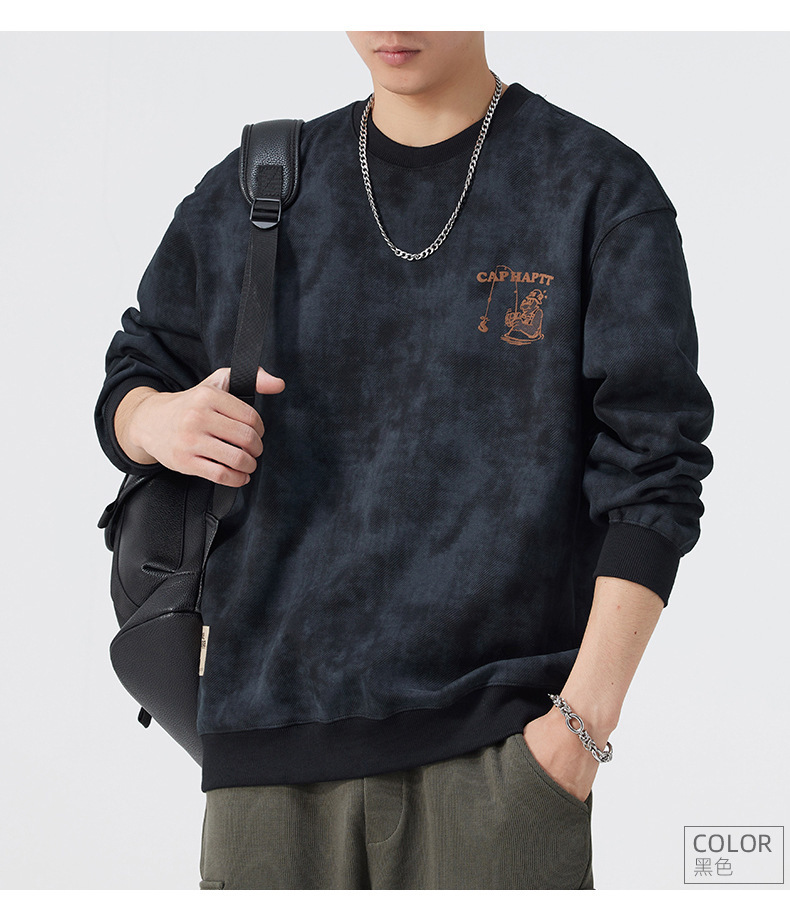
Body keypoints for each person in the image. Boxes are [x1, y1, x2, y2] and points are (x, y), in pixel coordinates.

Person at [94, 31, 714, 889]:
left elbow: (655, 467)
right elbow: (134, 372)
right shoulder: (261, 187)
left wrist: (578, 730)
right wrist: (157, 420)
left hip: (497, 762)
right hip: (264, 770)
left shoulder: (593, 187)